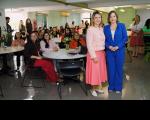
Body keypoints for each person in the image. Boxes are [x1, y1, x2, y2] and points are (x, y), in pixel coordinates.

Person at [104, 11, 128, 93]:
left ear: (116, 17)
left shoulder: (122, 26)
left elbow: (125, 38)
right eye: (110, 17)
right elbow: (104, 40)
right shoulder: (106, 27)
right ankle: (111, 86)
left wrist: (118, 46)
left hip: (119, 51)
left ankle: (118, 87)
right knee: (111, 69)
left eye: (114, 16)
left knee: (119, 69)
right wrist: (109, 46)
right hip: (109, 52)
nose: (112, 18)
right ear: (109, 18)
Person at [86, 11, 107, 97]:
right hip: (94, 54)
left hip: (101, 53)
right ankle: (92, 89)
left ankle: (98, 88)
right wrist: (93, 56)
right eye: (96, 18)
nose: (98, 19)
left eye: (99, 17)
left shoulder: (101, 28)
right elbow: (89, 44)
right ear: (93, 19)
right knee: (94, 72)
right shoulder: (90, 29)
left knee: (99, 72)